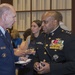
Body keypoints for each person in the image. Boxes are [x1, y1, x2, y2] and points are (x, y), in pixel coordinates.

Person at [0, 3, 28, 75]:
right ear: (5, 16)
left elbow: (6, 55)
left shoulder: (6, 34)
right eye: (13, 17)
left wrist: (18, 58)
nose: (15, 20)